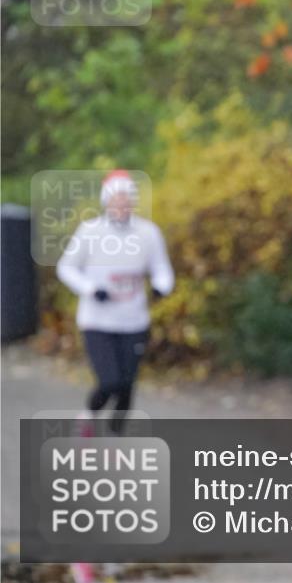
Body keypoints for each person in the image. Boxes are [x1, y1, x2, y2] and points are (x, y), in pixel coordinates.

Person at [57, 169, 174, 436]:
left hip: (133, 320)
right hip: (97, 321)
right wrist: (91, 289)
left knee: (127, 386)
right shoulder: (90, 231)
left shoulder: (148, 233)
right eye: (116, 199)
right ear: (106, 201)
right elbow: (66, 268)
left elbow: (162, 269)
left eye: (126, 199)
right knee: (110, 381)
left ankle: (116, 437)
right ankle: (88, 416)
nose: (121, 204)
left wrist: (161, 287)